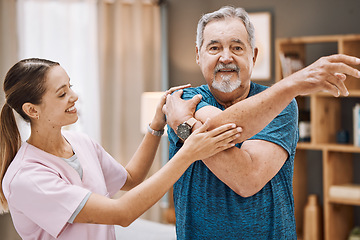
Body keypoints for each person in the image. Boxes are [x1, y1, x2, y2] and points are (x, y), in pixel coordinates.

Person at [163, 6, 360, 240]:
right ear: (198, 54)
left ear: (253, 56)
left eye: (237, 47)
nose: (226, 57)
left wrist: (185, 125)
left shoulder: (282, 104)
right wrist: (292, 84)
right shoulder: (183, 99)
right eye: (214, 47)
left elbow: (247, 179)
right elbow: (222, 126)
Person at [0, 58, 242, 240]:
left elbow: (131, 179)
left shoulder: (81, 143)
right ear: (32, 110)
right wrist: (189, 154)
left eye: (70, 86)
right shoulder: (27, 178)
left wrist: (156, 125)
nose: (74, 96)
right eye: (62, 94)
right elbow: (122, 213)